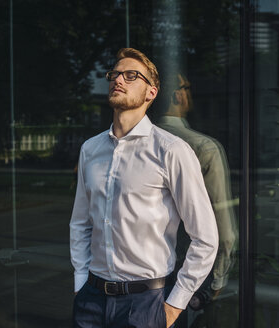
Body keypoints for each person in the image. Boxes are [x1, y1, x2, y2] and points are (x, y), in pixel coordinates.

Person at [70, 48, 219, 328]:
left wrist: (174, 306)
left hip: (145, 303)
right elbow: (80, 223)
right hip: (91, 299)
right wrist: (80, 283)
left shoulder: (172, 150)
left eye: (131, 75)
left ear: (151, 93)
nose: (118, 79)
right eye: (114, 74)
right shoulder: (90, 149)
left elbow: (206, 238)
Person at [157, 73, 238, 327]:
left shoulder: (131, 144)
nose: (190, 94)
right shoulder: (204, 148)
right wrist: (217, 281)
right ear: (177, 95)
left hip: (140, 279)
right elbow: (224, 230)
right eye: (188, 88)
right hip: (185, 276)